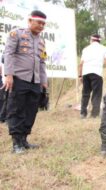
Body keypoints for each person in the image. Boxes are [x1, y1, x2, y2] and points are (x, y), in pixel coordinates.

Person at [3, 10, 48, 154]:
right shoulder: (16, 34)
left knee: (31, 111)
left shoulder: (41, 41)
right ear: (30, 21)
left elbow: (42, 62)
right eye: (38, 22)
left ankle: (24, 140)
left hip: (35, 81)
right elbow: (8, 54)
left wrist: (44, 81)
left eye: (43, 24)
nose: (41, 26)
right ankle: (16, 144)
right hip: (19, 79)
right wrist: (8, 74)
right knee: (16, 110)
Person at [79, 34, 106, 118]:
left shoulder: (86, 49)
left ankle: (83, 113)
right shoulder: (104, 48)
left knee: (85, 93)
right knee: (96, 94)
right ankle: (94, 114)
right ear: (99, 41)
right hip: (97, 73)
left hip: (86, 73)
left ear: (91, 40)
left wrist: (80, 75)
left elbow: (81, 64)